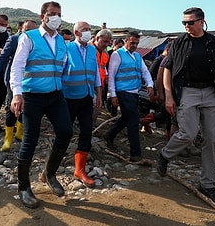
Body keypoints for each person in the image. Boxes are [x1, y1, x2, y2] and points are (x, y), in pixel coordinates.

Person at [157, 7, 215, 206]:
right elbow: (167, 69)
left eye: (190, 22)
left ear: (202, 21)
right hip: (187, 92)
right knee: (188, 133)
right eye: (184, 23)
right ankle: (165, 154)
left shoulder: (214, 42)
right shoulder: (178, 43)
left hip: (211, 93)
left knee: (211, 138)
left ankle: (207, 183)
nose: (186, 26)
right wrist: (168, 95)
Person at [9, 1, 72, 209]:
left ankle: (49, 174)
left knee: (65, 132)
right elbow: (16, 67)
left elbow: (61, 67)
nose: (56, 17)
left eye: (59, 14)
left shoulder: (62, 41)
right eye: (52, 14)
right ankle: (24, 187)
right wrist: (17, 94)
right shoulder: (29, 37)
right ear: (42, 15)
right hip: (32, 96)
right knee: (30, 140)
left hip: (55, 95)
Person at [62, 21, 102, 187]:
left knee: (87, 131)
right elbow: (59, 71)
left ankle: (80, 170)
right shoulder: (67, 48)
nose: (88, 32)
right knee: (64, 132)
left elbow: (96, 73)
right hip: (69, 97)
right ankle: (52, 166)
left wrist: (99, 94)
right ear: (77, 33)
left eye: (89, 29)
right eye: (85, 30)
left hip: (86, 96)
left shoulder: (92, 49)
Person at [104, 31, 154, 162]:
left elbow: (145, 72)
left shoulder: (137, 56)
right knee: (133, 121)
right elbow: (111, 76)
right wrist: (113, 94)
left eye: (137, 43)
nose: (135, 45)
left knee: (127, 118)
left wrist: (150, 84)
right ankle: (135, 154)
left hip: (134, 92)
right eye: (132, 43)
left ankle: (109, 135)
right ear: (126, 41)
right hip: (123, 92)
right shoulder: (117, 54)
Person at [0, 19, 38, 152]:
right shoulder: (14, 40)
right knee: (11, 108)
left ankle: (19, 133)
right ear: (22, 29)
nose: (30, 33)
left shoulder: (38, 41)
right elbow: (2, 58)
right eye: (27, 30)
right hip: (13, 79)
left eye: (33, 30)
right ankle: (7, 139)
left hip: (30, 80)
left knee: (26, 107)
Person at [92, 29, 113, 115]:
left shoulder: (105, 54)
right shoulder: (89, 49)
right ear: (97, 38)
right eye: (104, 41)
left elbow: (103, 68)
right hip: (88, 84)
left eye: (108, 42)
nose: (106, 44)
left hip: (100, 85)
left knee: (97, 106)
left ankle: (91, 125)